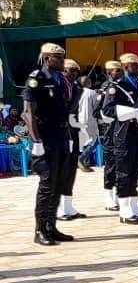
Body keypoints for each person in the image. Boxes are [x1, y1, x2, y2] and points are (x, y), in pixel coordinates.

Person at [22, 42, 75, 245]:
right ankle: (40, 229)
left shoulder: (60, 80)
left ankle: (52, 226)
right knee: (46, 185)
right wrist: (36, 141)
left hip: (60, 136)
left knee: (58, 183)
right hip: (45, 138)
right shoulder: (37, 79)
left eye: (62, 57)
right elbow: (29, 112)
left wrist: (68, 137)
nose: (62, 61)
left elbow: (63, 110)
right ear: (47, 59)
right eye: (58, 58)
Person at [100, 53, 138, 225]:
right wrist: (132, 113)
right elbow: (107, 110)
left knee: (136, 170)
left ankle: (133, 206)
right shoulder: (115, 87)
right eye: (133, 65)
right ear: (124, 67)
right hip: (123, 134)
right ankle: (124, 210)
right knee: (124, 172)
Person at [57, 58, 87, 221]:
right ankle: (60, 207)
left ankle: (68, 205)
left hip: (72, 129)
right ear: (63, 71)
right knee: (62, 169)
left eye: (76, 71)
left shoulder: (75, 87)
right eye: (70, 71)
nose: (74, 74)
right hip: (61, 130)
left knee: (71, 169)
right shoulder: (59, 86)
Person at [97, 60, 123, 210]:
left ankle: (119, 194)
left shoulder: (123, 87)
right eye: (116, 71)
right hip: (110, 131)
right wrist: (108, 117)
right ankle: (109, 196)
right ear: (109, 73)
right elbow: (97, 111)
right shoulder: (106, 88)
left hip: (122, 131)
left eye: (120, 71)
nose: (119, 73)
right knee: (111, 165)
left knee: (121, 165)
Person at [76, 75, 99, 171]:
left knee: (85, 141)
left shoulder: (78, 92)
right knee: (94, 141)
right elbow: (96, 107)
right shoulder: (92, 92)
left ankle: (85, 164)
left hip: (79, 119)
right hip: (90, 119)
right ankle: (81, 159)